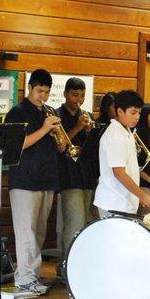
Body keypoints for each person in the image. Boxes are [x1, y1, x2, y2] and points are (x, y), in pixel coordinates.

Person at [5, 69, 66, 294]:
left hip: (46, 178)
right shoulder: (17, 113)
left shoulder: (48, 112)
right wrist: (44, 129)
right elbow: (18, 144)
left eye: (48, 92)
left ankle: (34, 274)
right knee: (26, 232)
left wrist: (60, 140)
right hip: (24, 180)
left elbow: (60, 146)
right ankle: (25, 278)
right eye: (40, 91)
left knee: (39, 232)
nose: (44, 96)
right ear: (30, 87)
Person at [93, 90, 150, 217]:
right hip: (114, 203)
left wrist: (137, 197)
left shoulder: (126, 130)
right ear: (120, 111)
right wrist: (143, 195)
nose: (137, 117)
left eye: (139, 113)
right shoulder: (115, 135)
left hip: (123, 202)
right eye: (133, 112)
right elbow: (119, 173)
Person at [55, 78, 95, 266]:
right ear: (65, 94)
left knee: (83, 222)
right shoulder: (57, 115)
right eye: (74, 94)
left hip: (85, 175)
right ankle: (67, 266)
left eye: (81, 95)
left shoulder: (86, 115)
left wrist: (89, 132)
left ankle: (75, 264)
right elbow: (60, 145)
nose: (78, 99)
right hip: (67, 175)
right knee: (74, 222)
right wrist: (78, 127)